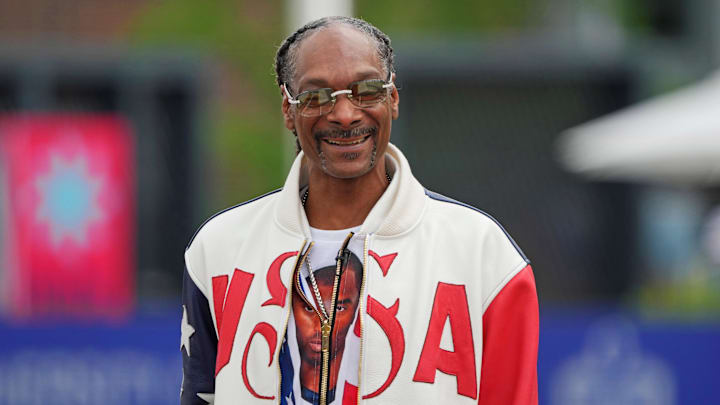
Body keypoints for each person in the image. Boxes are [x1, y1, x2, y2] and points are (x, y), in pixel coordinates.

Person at [180, 16, 538, 405]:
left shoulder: (483, 253)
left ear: (393, 98)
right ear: (287, 109)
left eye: (367, 90)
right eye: (317, 96)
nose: (345, 114)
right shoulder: (219, 250)